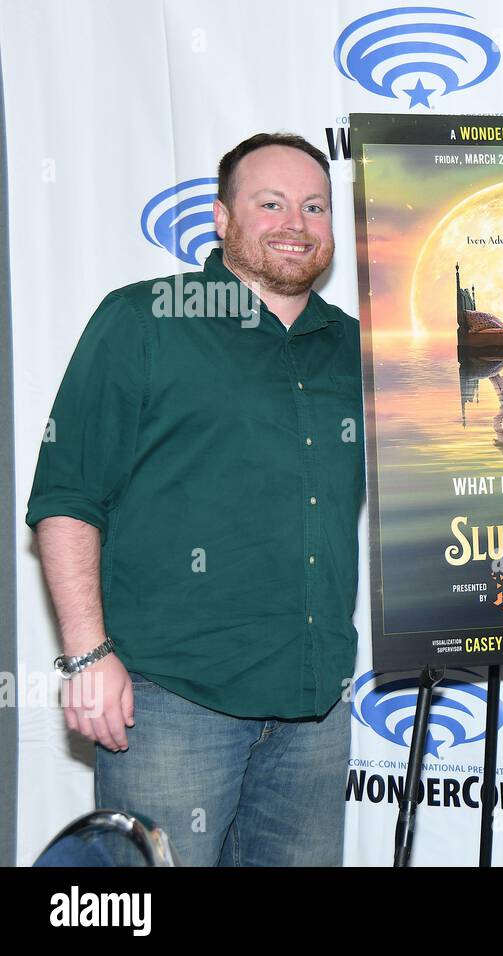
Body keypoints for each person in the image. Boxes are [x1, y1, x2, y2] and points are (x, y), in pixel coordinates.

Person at [27, 132, 364, 866]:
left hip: (316, 710)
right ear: (220, 217)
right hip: (171, 702)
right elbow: (67, 496)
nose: (295, 223)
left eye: (314, 206)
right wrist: (87, 656)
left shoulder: (358, 351)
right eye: (269, 202)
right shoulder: (143, 321)